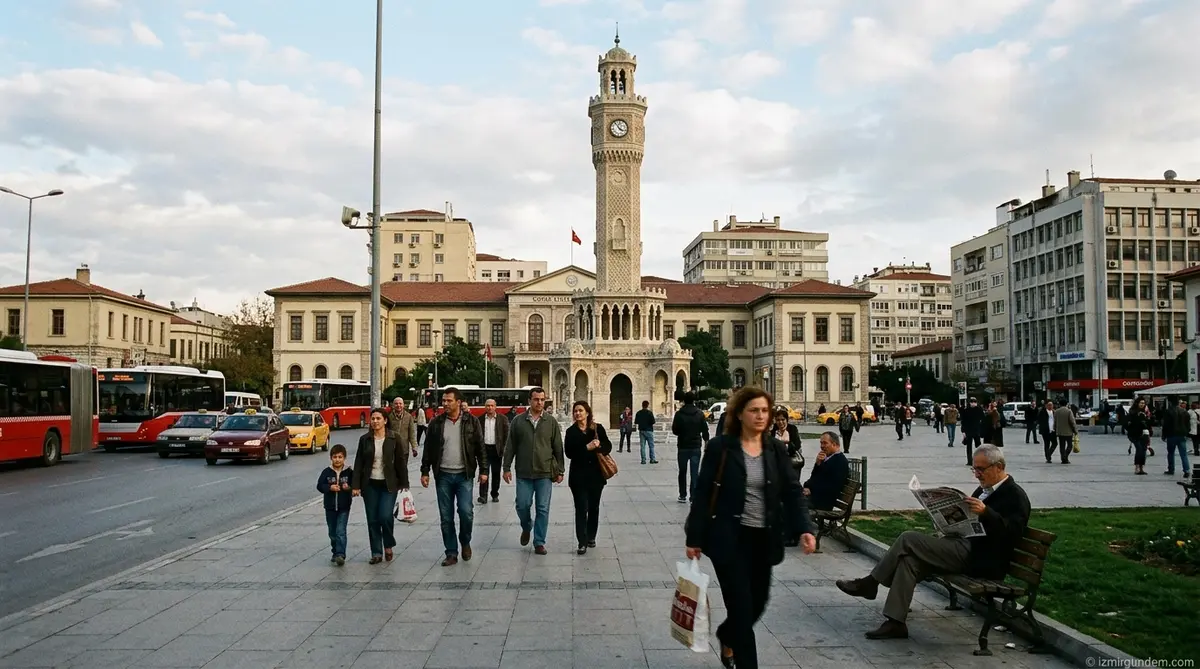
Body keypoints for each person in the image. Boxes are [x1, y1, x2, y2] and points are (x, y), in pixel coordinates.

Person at [836, 445, 1030, 640]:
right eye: (974, 469)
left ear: (999, 466)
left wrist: (987, 513)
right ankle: (896, 623)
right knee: (909, 561)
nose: (977, 475)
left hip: (981, 559)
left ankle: (870, 583)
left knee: (908, 538)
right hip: (963, 546)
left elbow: (1012, 534)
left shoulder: (1015, 496)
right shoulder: (984, 489)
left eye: (981, 469)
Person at [685, 386, 816, 669]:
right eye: (754, 410)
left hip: (763, 540)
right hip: (729, 541)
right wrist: (694, 537)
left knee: (758, 603)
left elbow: (792, 491)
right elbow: (703, 493)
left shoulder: (775, 449)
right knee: (742, 609)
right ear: (740, 414)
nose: (760, 416)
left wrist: (805, 527)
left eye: (765, 411)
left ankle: (726, 634)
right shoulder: (721, 448)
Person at [421, 387, 485, 567]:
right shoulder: (436, 423)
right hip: (443, 475)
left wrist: (484, 470)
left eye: (449, 401)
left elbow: (480, 447)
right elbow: (428, 449)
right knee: (446, 516)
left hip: (464, 475)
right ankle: (451, 552)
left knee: (466, 513)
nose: (445, 404)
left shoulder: (471, 422)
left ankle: (465, 541)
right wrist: (425, 471)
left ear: (458, 402)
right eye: (443, 401)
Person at [503, 387, 564, 555]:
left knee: (543, 508)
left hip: (544, 472)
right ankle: (526, 526)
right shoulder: (518, 421)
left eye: (542, 400)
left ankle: (539, 542)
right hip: (524, 472)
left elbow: (558, 447)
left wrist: (560, 470)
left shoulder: (550, 422)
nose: (540, 403)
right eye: (536, 399)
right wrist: (506, 467)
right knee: (523, 505)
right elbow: (510, 446)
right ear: (529, 400)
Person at [351, 408, 408, 564]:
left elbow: (400, 463)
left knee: (385, 516)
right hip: (370, 484)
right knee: (373, 519)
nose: (375, 421)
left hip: (389, 484)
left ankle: (388, 544)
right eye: (373, 418)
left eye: (378, 418)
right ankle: (376, 552)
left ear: (385, 420)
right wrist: (355, 485)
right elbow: (358, 463)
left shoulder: (394, 438)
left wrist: (405, 484)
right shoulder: (365, 440)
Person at [564, 400, 612, 555]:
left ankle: (591, 536)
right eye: (575, 411)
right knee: (581, 508)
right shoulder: (571, 432)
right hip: (578, 477)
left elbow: (608, 446)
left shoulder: (597, 429)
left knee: (593, 507)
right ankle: (581, 541)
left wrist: (599, 446)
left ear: (587, 413)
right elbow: (569, 453)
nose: (577, 413)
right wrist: (586, 447)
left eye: (580, 410)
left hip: (596, 476)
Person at [316, 444, 353, 566]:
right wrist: (329, 487)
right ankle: (335, 551)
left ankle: (340, 554)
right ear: (331, 458)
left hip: (344, 506)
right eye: (335, 457)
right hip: (330, 507)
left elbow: (354, 485)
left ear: (344, 458)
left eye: (340, 457)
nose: (337, 459)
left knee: (340, 531)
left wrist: (349, 488)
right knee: (332, 532)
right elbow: (320, 486)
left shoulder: (348, 472)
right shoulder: (327, 472)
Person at [672, 392, 710, 503]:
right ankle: (693, 496)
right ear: (694, 400)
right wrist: (706, 442)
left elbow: (675, 430)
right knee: (694, 472)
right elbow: (705, 430)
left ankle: (682, 494)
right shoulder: (699, 414)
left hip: (683, 446)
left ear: (684, 400)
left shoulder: (679, 414)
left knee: (682, 471)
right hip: (695, 446)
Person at [803, 431, 849, 511]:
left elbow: (832, 486)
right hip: (815, 498)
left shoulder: (840, 461)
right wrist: (817, 464)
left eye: (825, 443)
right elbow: (814, 478)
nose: (822, 446)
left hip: (822, 502)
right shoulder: (827, 458)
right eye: (821, 443)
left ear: (834, 444)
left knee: (790, 504)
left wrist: (811, 490)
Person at [478, 399, 509, 504]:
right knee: (483, 472)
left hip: (497, 450)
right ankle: (483, 496)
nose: (489, 408)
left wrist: (504, 448)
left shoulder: (502, 419)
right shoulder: (480, 419)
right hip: (484, 450)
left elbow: (506, 434)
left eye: (491, 406)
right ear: (485, 407)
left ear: (495, 406)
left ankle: (495, 494)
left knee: (496, 473)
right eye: (487, 406)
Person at [1162, 398, 1192, 478]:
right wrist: (1186, 432)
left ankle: (1171, 469)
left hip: (1171, 435)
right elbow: (1188, 424)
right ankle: (1187, 470)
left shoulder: (1168, 411)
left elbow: (1166, 424)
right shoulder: (1184, 411)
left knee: (1171, 453)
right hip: (1182, 435)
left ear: (1170, 403)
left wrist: (1164, 435)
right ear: (1179, 403)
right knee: (1183, 454)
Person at [959, 397, 985, 464]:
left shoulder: (979, 410)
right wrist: (963, 431)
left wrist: (981, 430)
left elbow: (983, 419)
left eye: (974, 402)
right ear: (970, 403)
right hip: (969, 431)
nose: (973, 403)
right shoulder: (966, 410)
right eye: (972, 402)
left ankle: (979, 459)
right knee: (969, 446)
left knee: (978, 446)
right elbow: (963, 421)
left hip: (976, 430)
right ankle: (970, 461)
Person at [1052, 401, 1077, 465]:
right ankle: (1065, 457)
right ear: (1066, 404)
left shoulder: (1056, 411)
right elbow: (1072, 421)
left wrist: (1054, 429)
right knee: (1070, 445)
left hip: (1060, 431)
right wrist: (1075, 430)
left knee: (1062, 446)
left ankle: (1063, 458)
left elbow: (1055, 421)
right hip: (1068, 431)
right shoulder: (1069, 411)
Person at [635, 400, 657, 464]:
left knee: (642, 446)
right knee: (651, 446)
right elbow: (653, 422)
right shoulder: (649, 413)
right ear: (647, 405)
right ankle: (652, 459)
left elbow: (636, 422)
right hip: (649, 430)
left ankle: (643, 460)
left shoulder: (639, 413)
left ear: (642, 405)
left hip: (641, 430)